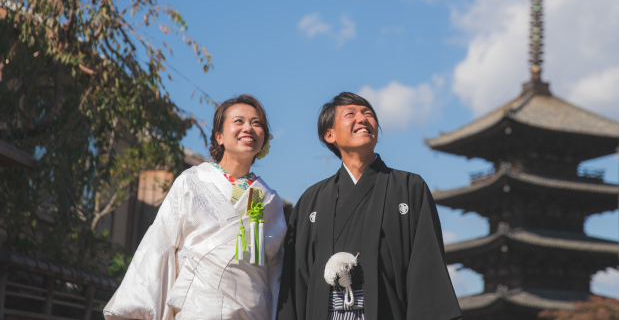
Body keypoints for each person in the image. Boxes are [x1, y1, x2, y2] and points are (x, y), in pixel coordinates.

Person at [277, 92, 461, 320]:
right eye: (350, 114)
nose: (363, 119)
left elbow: (426, 267)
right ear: (329, 134)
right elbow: (295, 281)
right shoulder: (311, 201)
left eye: (368, 114)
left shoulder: (409, 188)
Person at [105, 94, 287, 320]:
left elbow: (275, 268)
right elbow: (160, 243)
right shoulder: (192, 181)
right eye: (239, 121)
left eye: (256, 123)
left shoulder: (268, 198)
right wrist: (137, 311)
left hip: (252, 312)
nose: (248, 128)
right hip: (198, 308)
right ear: (219, 136)